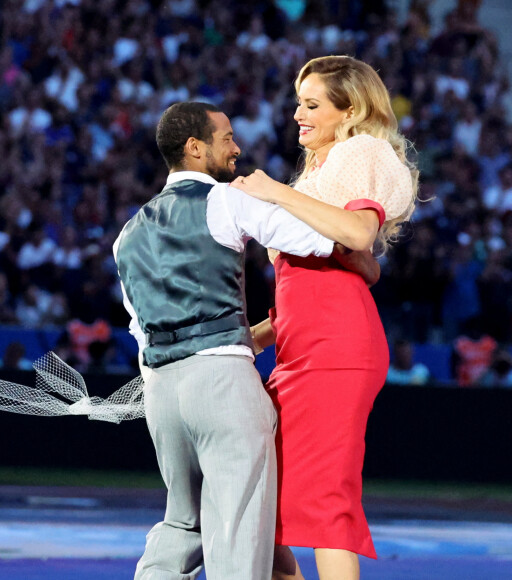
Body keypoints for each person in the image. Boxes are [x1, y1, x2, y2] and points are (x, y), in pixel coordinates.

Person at [113, 101, 380, 580]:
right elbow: (325, 241)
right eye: (226, 138)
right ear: (195, 148)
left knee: (181, 524)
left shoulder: (127, 234)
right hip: (222, 383)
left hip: (159, 390)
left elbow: (137, 325)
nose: (236, 148)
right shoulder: (226, 200)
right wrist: (364, 257)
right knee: (239, 537)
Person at [234, 56, 418, 580]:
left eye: (312, 104)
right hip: (301, 349)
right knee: (260, 504)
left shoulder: (361, 150)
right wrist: (256, 336)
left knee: (324, 505)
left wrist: (273, 191)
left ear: (350, 110)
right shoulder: (322, 169)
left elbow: (360, 235)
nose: (298, 114)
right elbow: (354, 264)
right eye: (299, 103)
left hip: (336, 352)